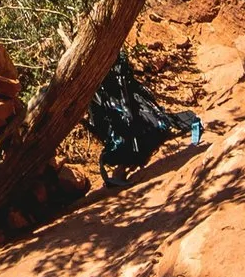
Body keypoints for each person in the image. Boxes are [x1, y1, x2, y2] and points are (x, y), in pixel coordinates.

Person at [85, 55, 204, 189]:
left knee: (128, 121)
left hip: (114, 84)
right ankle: (127, 156)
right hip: (106, 87)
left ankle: (128, 156)